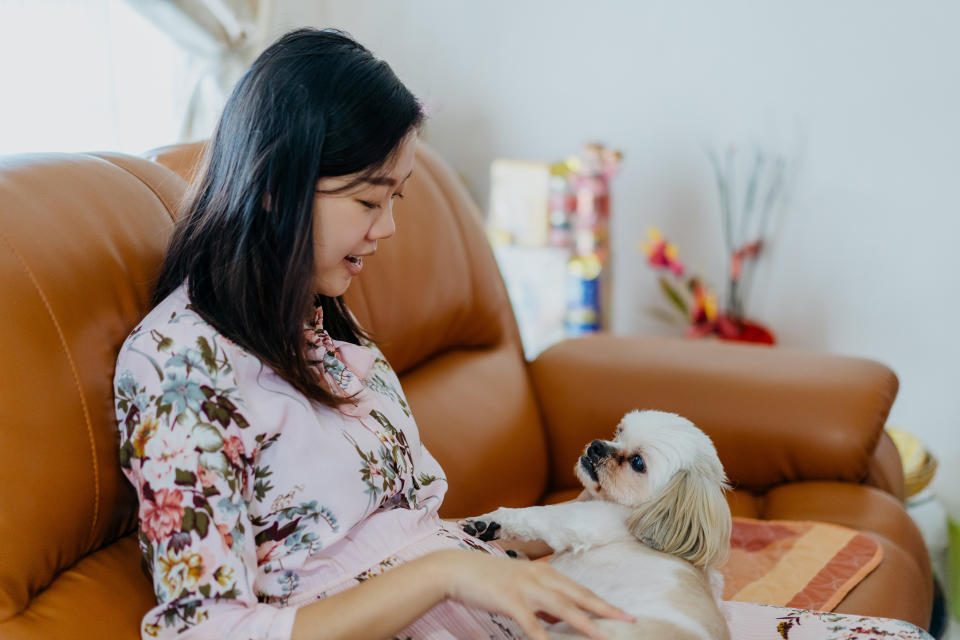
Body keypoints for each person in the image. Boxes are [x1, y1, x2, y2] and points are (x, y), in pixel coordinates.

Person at [113, 27, 633, 640]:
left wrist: (584, 523)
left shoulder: (324, 325)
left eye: (397, 198)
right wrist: (445, 575)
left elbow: (409, 542)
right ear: (277, 187)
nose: (388, 228)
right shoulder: (178, 367)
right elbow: (203, 629)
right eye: (368, 201)